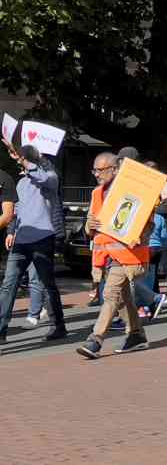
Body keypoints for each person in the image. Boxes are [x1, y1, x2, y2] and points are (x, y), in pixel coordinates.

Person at [77, 152, 153, 358]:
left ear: (115, 169)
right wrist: (89, 226)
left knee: (110, 294)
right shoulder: (96, 193)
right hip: (106, 256)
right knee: (123, 299)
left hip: (128, 256)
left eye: (100, 170)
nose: (96, 174)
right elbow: (91, 224)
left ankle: (95, 340)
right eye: (94, 170)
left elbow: (147, 221)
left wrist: (140, 233)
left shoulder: (133, 191)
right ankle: (136, 335)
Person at [0, 145, 68, 351]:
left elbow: (45, 177)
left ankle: (59, 325)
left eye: (26, 161)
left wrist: (25, 159)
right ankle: (1, 329)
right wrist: (12, 231)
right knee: (8, 284)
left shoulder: (49, 178)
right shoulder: (21, 183)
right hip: (21, 240)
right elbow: (17, 210)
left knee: (48, 284)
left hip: (43, 238)